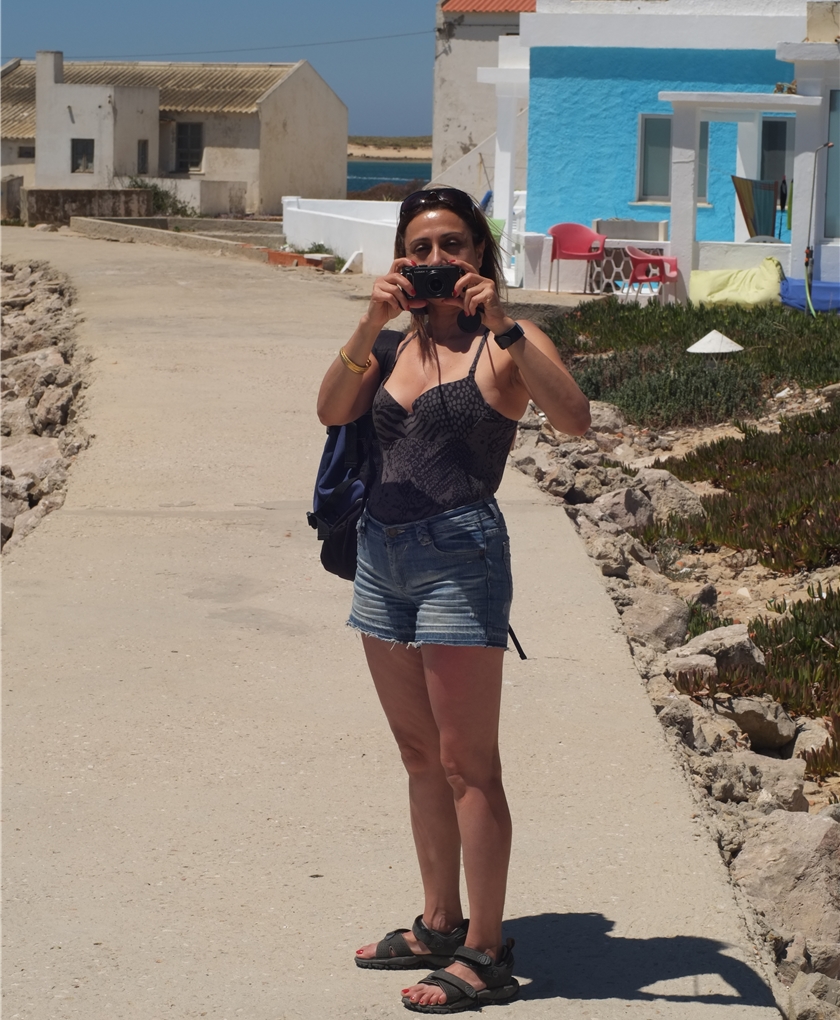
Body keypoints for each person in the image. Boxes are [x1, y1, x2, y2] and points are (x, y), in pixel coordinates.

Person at [316, 187, 591, 1013]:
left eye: (452, 246)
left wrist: (503, 322)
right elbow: (331, 409)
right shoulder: (391, 342)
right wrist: (369, 322)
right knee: (418, 755)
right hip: (380, 559)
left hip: (459, 561)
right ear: (402, 259)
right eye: (420, 248)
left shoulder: (506, 343)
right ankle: (439, 923)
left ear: (479, 254)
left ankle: (488, 951)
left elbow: (575, 420)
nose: (436, 261)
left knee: (470, 766)